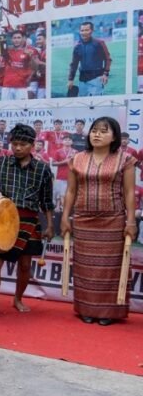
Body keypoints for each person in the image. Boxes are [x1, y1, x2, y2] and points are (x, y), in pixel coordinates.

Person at [61, 117, 136, 325]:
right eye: (94, 130)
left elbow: (129, 192)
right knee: (85, 267)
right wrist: (65, 217)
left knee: (110, 268)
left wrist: (131, 221)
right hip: (83, 220)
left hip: (113, 220)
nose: (97, 134)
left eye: (104, 131)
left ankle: (108, 312)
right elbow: (71, 191)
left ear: (114, 136)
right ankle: (86, 308)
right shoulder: (77, 159)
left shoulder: (125, 160)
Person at [0, 124, 55, 317]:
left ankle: (18, 299)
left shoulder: (43, 169)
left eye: (23, 144)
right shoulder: (2, 162)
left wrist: (49, 226)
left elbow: (47, 201)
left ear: (32, 145)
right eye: (14, 144)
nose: (18, 148)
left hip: (29, 220)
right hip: (3, 219)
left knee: (25, 265)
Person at [67, 22, 111, 97]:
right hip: (82, 80)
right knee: (82, 102)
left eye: (86, 30)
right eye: (82, 30)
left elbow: (107, 59)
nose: (84, 32)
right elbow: (74, 64)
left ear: (92, 31)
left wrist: (105, 74)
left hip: (96, 79)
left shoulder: (99, 43)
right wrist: (71, 79)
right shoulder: (77, 47)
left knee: (95, 102)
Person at [0, 30, 41, 101]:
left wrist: (31, 56)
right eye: (14, 38)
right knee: (6, 107)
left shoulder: (29, 52)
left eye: (19, 38)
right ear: (11, 39)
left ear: (23, 39)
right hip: (7, 86)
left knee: (22, 107)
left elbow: (35, 68)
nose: (16, 40)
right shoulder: (7, 51)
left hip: (21, 87)